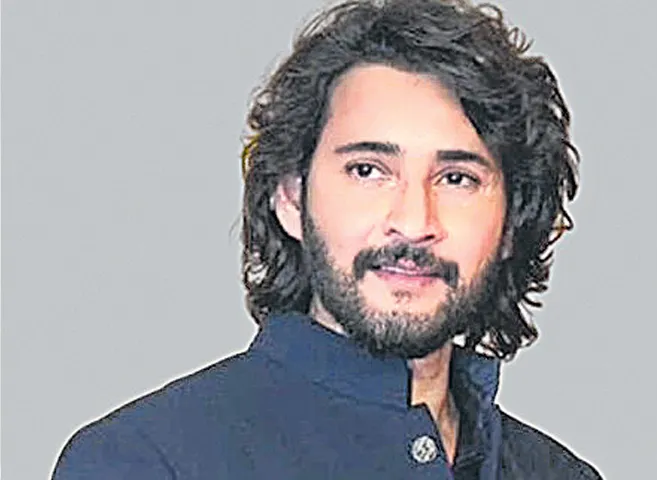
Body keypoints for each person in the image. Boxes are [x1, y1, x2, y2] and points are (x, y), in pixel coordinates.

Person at [52, 0, 602, 478]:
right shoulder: (148, 460)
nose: (414, 221)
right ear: (291, 198)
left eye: (456, 179)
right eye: (368, 171)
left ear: (512, 225)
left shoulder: (559, 474)